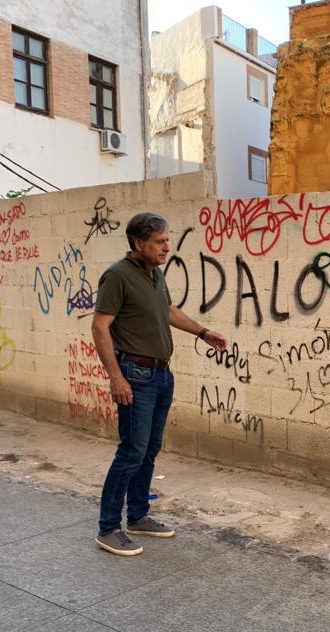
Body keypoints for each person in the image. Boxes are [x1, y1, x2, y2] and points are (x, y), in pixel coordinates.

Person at [92, 212, 227, 556]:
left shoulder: (155, 273)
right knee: (131, 451)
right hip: (135, 375)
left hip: (161, 374)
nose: (167, 247)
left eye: (167, 240)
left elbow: (168, 311)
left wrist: (203, 332)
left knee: (149, 450)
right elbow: (100, 327)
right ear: (139, 244)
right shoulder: (117, 276)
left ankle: (138, 516)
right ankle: (108, 527)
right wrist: (116, 377)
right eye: (161, 242)